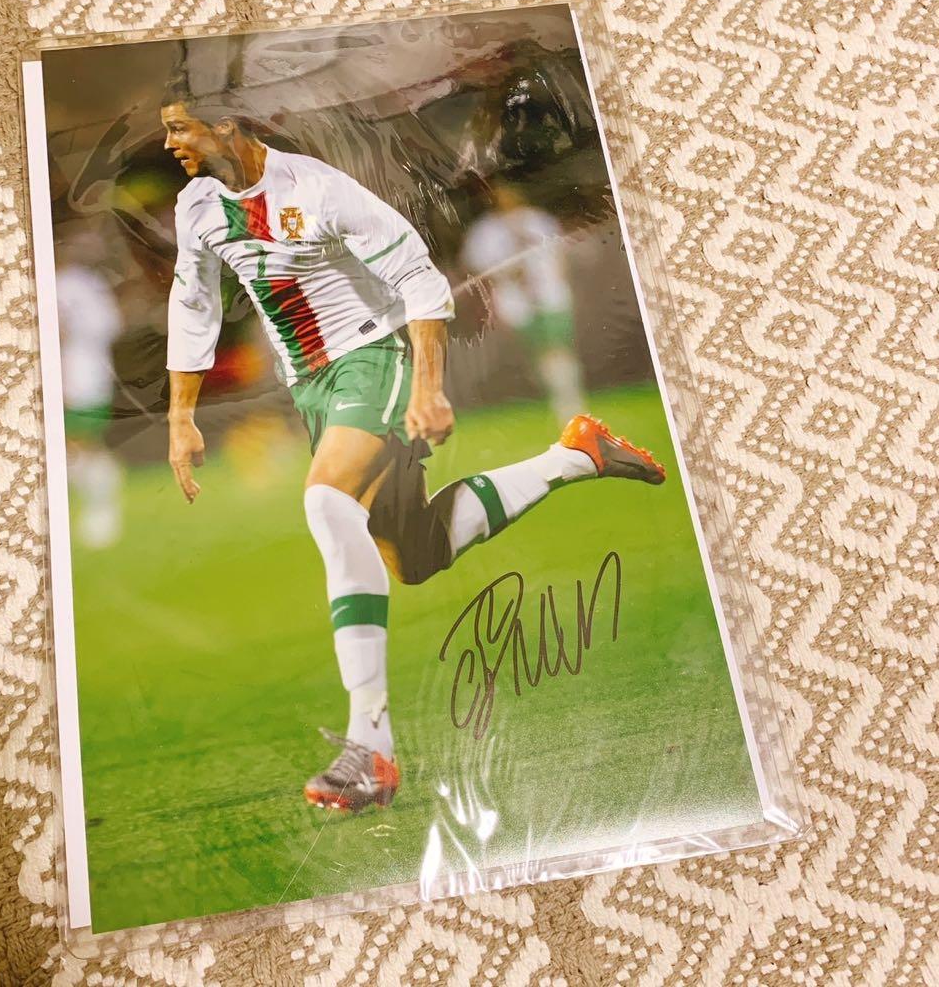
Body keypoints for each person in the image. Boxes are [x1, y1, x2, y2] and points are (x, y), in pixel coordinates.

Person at [159, 78, 666, 813]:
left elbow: (418, 278)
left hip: (373, 359)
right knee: (415, 554)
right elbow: (193, 303)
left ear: (228, 125)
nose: (170, 143)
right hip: (313, 388)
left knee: (328, 505)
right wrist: (181, 416)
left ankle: (371, 748)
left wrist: (428, 388)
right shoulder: (198, 206)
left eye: (182, 127)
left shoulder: (318, 189)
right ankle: (577, 455)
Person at [460, 182, 586, 424]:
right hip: (516, 302)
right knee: (540, 352)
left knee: (558, 347)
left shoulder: (537, 220)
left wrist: (556, 278)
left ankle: (568, 401)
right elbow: (476, 266)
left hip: (549, 295)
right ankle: (559, 397)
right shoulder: (485, 232)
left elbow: (559, 254)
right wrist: (505, 275)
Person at [57, 233, 123, 550]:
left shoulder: (70, 286)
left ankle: (102, 509)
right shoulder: (85, 283)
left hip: (77, 377)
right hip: (88, 375)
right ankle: (99, 507)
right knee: (77, 446)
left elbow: (65, 332)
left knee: (78, 444)